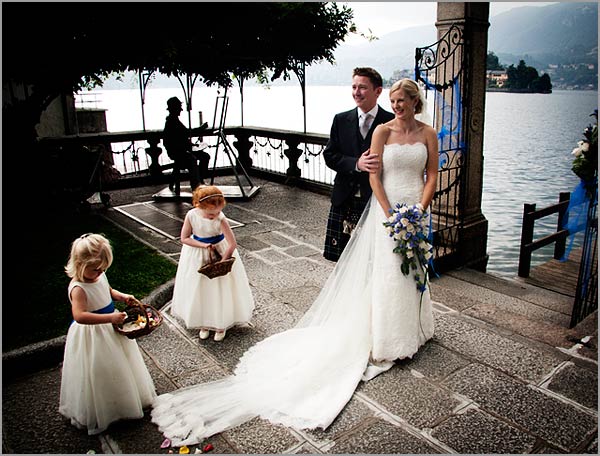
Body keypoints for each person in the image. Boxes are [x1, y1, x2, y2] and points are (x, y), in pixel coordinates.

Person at [151, 78, 437, 446]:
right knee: (384, 276)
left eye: (403, 101)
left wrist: (418, 211)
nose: (398, 106)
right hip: (386, 213)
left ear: (415, 102)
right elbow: (372, 173)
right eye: (394, 100)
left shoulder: (428, 133)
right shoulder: (381, 131)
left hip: (415, 209)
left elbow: (431, 175)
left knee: (414, 270)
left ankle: (415, 326)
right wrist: (389, 214)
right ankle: (386, 335)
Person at [59, 233, 157, 435]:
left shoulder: (98, 275)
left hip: (111, 326)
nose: (100, 272)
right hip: (93, 334)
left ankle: (124, 399)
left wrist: (122, 296)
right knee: (100, 369)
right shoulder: (78, 288)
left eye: (103, 269)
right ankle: (104, 407)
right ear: (80, 265)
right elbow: (80, 316)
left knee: (119, 364)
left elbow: (107, 289)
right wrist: (110, 318)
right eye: (96, 269)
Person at [322, 67, 395, 261]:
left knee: (373, 258)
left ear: (378, 91)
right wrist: (357, 163)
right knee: (341, 259)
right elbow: (330, 155)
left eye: (362, 87)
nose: (356, 92)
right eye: (354, 87)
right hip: (344, 198)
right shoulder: (340, 119)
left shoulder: (391, 122)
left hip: (375, 199)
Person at [170, 185, 254, 342]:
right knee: (201, 287)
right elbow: (184, 238)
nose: (214, 215)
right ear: (198, 205)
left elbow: (232, 243)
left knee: (220, 288)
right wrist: (204, 246)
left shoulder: (221, 218)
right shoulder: (191, 215)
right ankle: (204, 322)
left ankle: (221, 323)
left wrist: (223, 260)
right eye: (210, 213)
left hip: (220, 251)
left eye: (217, 211)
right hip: (197, 253)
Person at [163, 96, 211, 191]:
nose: (181, 109)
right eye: (179, 107)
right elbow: (186, 133)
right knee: (192, 160)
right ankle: (195, 186)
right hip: (178, 152)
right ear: (174, 108)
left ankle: (200, 179)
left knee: (205, 156)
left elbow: (183, 134)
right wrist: (200, 129)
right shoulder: (172, 122)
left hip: (183, 149)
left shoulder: (174, 121)